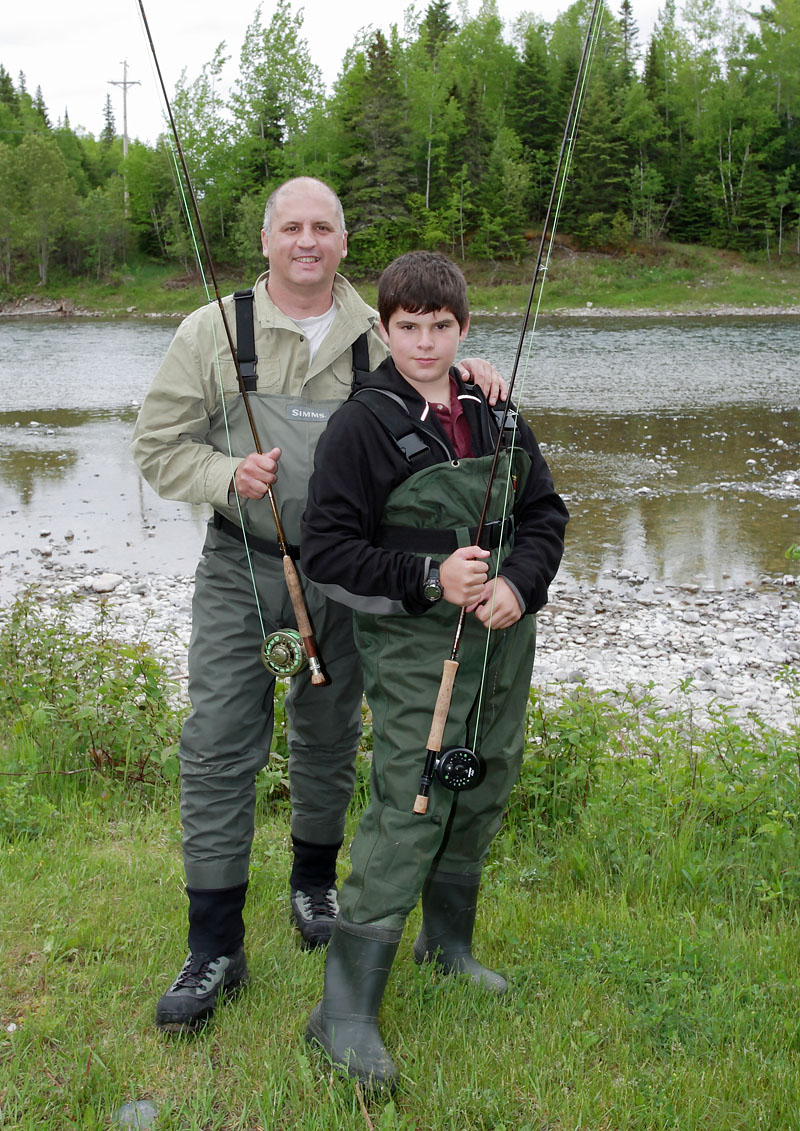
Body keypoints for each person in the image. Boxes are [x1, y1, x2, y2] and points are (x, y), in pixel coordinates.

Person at [130, 178, 506, 1034]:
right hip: (240, 569)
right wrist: (227, 477)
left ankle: (313, 888)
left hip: (346, 576)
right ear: (265, 241)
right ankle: (214, 944)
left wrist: (473, 375)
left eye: (323, 228)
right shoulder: (210, 332)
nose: (307, 241)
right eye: (291, 227)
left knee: (330, 737)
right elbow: (156, 447)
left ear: (343, 244)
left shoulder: (383, 334)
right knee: (219, 742)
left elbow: (435, 382)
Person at [299, 250, 568, 1091]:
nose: (424, 341)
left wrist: (520, 587)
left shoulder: (496, 408)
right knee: (413, 797)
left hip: (501, 638)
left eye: (440, 326)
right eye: (407, 327)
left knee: (483, 778)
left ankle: (448, 946)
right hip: (415, 644)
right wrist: (430, 576)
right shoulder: (360, 425)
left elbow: (544, 514)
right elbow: (329, 551)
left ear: (461, 327)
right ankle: (341, 1011)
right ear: (383, 329)